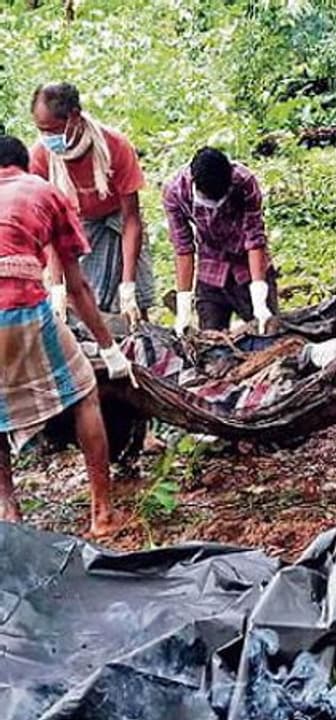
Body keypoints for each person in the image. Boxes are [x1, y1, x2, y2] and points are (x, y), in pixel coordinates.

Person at [0, 135, 132, 537]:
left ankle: (7, 512)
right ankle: (103, 512)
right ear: (24, 164)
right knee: (83, 391)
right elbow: (78, 288)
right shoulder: (44, 191)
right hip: (18, 303)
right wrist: (109, 348)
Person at [29, 83, 155, 325]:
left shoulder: (114, 146)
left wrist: (128, 286)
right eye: (41, 130)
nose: (47, 138)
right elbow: (50, 228)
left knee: (135, 306)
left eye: (53, 130)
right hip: (77, 223)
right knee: (82, 303)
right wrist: (57, 286)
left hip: (117, 218)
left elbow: (131, 220)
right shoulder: (41, 157)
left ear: (74, 117)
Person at [162, 147, 277, 334]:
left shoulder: (244, 182)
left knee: (268, 333)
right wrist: (183, 307)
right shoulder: (175, 193)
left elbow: (254, 239)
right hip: (210, 271)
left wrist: (259, 296)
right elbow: (183, 248)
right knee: (210, 342)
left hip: (246, 266)